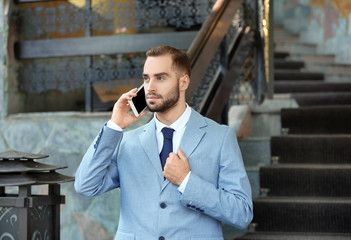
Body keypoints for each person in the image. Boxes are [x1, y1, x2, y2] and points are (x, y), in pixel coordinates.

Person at [75, 45, 253, 240]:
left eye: (160, 78)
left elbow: (241, 212)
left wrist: (187, 181)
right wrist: (114, 126)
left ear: (183, 82)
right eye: (146, 78)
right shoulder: (127, 141)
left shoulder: (220, 137)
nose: (150, 87)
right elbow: (85, 185)